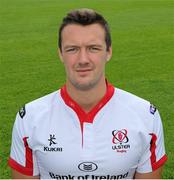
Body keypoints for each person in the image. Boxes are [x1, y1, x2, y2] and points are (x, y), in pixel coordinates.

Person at [8, 8, 167, 179]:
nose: (83, 59)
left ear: (109, 52)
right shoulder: (30, 118)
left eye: (93, 48)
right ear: (60, 54)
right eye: (72, 49)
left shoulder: (145, 116)